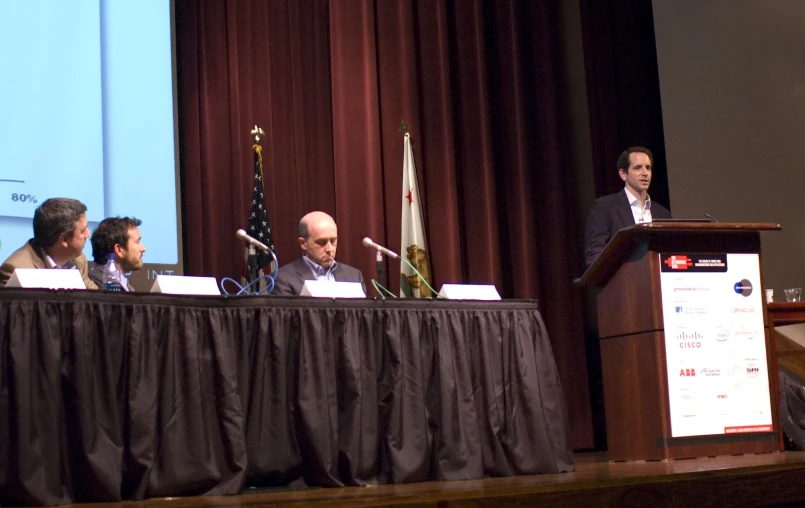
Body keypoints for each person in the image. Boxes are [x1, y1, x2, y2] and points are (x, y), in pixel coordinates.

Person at [584, 146, 672, 267]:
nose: (645, 173)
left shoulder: (662, 213)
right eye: (637, 168)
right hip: (622, 282)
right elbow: (595, 255)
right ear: (623, 174)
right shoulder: (605, 207)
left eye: (648, 168)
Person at [0, 197, 97, 289]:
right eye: (83, 231)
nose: (88, 234)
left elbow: (94, 297)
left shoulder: (78, 259)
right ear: (64, 240)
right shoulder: (15, 270)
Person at [273, 211, 365, 295]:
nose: (329, 249)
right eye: (321, 242)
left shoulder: (354, 276)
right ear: (303, 243)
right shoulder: (283, 278)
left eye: (333, 241)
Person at [88, 217, 146, 291]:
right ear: (119, 249)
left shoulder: (125, 285)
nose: (143, 249)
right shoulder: (99, 287)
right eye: (137, 242)